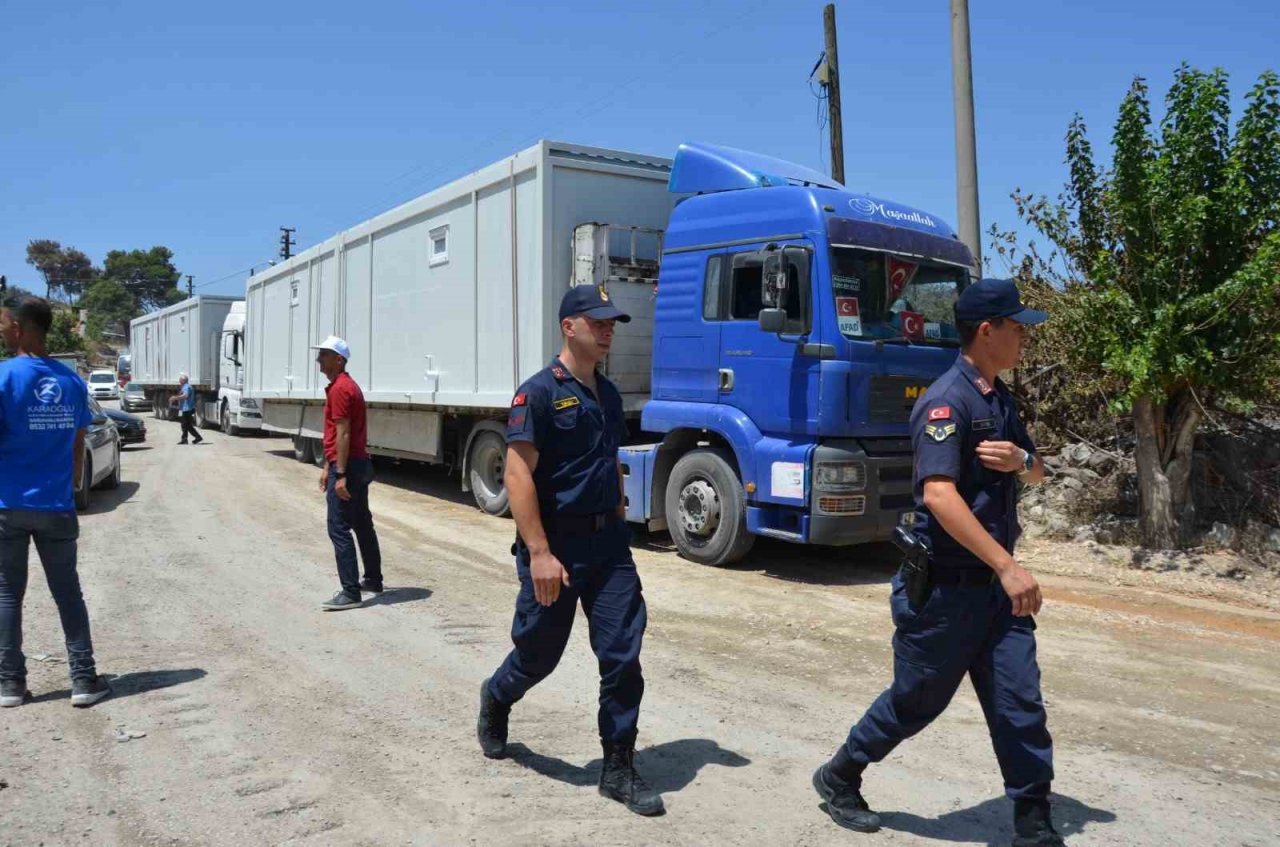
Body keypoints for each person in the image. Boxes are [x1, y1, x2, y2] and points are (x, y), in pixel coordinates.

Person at [812, 278, 1065, 846]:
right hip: (948, 592)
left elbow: (1038, 471)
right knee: (915, 701)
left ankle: (1034, 824)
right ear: (986, 330)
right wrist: (1007, 565)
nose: (1025, 335)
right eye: (1017, 326)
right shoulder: (946, 401)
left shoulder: (1000, 399)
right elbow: (939, 496)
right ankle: (841, 774)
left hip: (995, 595)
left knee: (1020, 704)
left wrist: (1023, 459)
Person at [476, 285, 662, 816]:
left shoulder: (606, 393)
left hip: (608, 547)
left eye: (612, 324)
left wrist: (623, 515)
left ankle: (618, 767)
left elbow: (609, 460)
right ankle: (497, 694)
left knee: (623, 654)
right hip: (556, 548)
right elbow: (517, 474)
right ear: (569, 326)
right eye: (598, 322)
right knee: (539, 655)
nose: (608, 331)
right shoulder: (536, 393)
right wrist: (538, 552)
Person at [0, 296, 111, 708]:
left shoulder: (4, 377)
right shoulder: (71, 382)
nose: (1, 328)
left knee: (8, 594)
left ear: (20, 327)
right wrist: (71, 490)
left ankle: (10, 684)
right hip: (57, 506)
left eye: (3, 322)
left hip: (8, 504)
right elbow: (77, 447)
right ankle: (84, 681)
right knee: (68, 594)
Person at [312, 336, 383, 611]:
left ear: (338, 360)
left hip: (350, 466)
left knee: (338, 526)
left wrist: (339, 474)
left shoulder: (341, 389)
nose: (319, 359)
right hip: (356, 463)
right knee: (362, 523)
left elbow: (343, 433)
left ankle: (350, 591)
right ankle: (373, 580)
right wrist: (328, 465)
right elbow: (337, 434)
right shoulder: (344, 386)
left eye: (324, 355)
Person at [170, 373, 203, 445]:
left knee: (185, 425)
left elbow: (186, 396)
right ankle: (196, 437)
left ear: (183, 380)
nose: (179, 381)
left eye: (180, 380)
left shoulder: (186, 387)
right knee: (187, 425)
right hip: (186, 409)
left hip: (187, 409)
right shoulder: (186, 386)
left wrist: (175, 398)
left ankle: (186, 439)